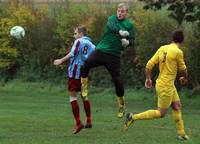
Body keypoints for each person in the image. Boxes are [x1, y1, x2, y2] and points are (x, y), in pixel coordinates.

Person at [124, 30, 189, 140]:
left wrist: (148, 78)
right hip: (166, 87)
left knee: (177, 106)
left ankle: (182, 134)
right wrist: (184, 78)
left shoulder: (162, 48)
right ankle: (133, 117)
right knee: (161, 113)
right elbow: (183, 69)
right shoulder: (178, 52)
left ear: (172, 38)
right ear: (182, 40)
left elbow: (149, 65)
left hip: (166, 84)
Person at [80, 3, 135, 118]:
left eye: (123, 11)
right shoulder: (112, 19)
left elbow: (133, 40)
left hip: (114, 56)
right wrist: (120, 32)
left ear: (126, 13)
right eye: (118, 10)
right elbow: (111, 27)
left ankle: (121, 105)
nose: (120, 13)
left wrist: (128, 43)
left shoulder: (129, 25)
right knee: (86, 64)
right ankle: (84, 88)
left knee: (117, 81)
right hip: (101, 50)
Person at [54, 26, 95, 134]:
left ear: (81, 34)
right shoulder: (91, 45)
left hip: (75, 73)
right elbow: (94, 58)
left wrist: (61, 60)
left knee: (72, 97)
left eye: (75, 33)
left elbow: (73, 54)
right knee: (84, 96)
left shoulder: (78, 41)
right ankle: (89, 120)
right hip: (84, 73)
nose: (74, 36)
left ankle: (78, 123)